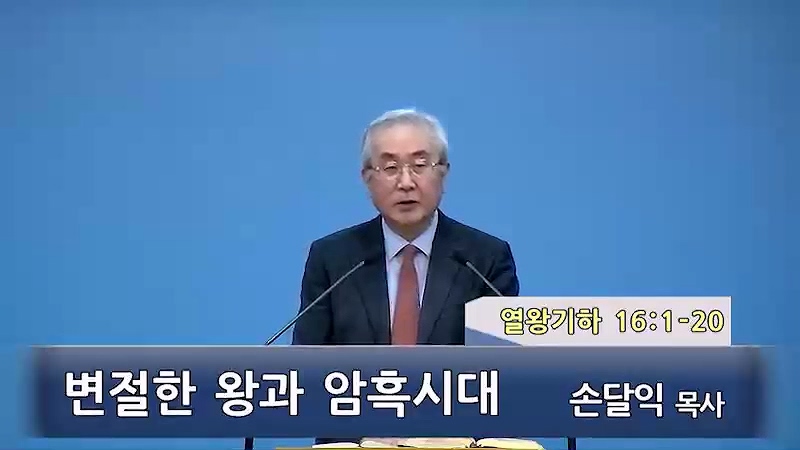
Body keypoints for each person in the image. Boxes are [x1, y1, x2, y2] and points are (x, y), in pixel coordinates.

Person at [291, 108, 519, 444]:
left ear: (443, 172)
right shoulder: (333, 258)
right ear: (367, 177)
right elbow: (305, 366)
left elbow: (504, 376)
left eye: (420, 165)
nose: (406, 182)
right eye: (390, 168)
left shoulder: (484, 259)